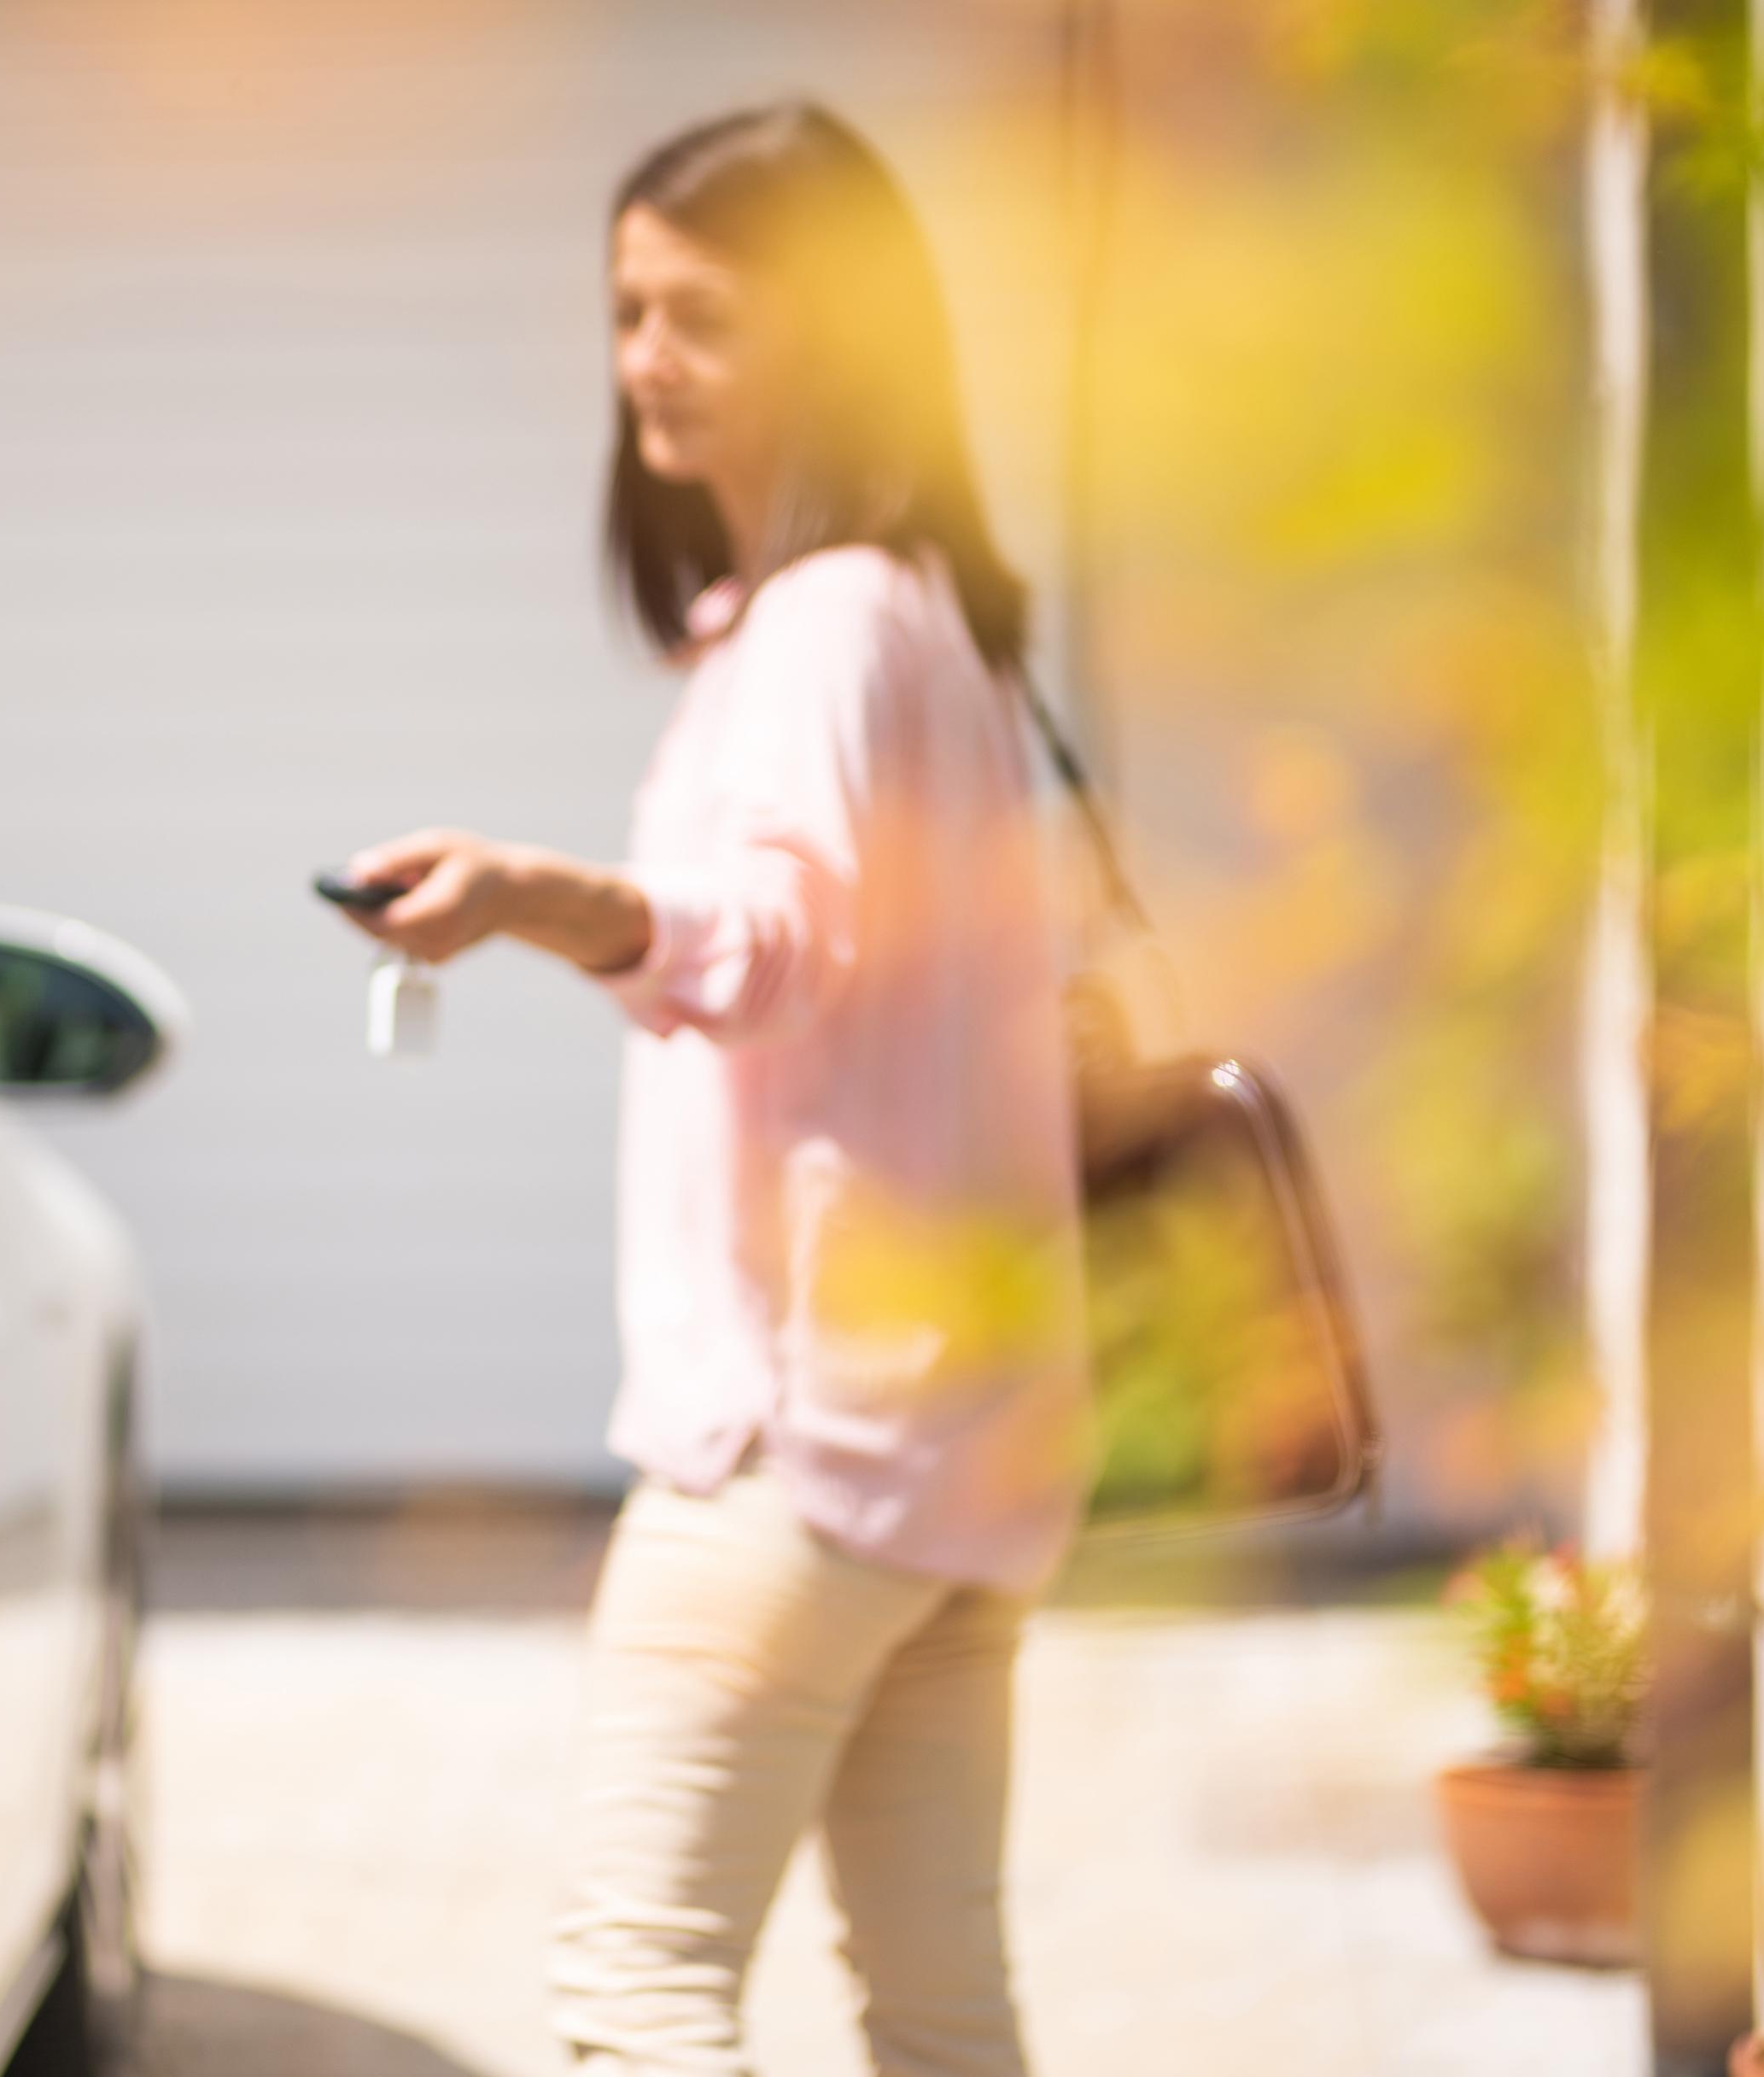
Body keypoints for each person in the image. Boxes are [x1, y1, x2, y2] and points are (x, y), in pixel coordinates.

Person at [333, 102, 1092, 2076]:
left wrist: (526, 896)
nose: (642, 359)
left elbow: (774, 944)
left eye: (701, 318)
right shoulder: (932, 617)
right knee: (943, 2017)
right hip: (961, 1448)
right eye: (626, 311)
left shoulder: (837, 620)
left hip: (798, 1447)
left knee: (637, 1998)